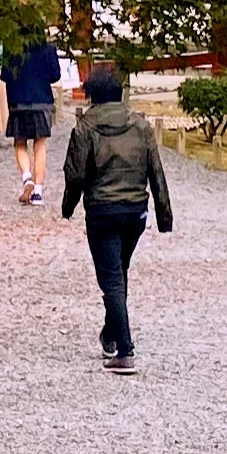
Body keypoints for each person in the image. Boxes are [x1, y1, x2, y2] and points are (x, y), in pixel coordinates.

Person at [57, 61, 173, 373]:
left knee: (111, 279)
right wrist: (164, 215)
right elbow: (156, 171)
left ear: (90, 93)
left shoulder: (85, 129)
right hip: (135, 210)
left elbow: (75, 175)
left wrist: (68, 207)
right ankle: (111, 333)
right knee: (119, 272)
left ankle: (125, 350)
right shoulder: (140, 125)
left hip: (102, 212)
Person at [1, 32, 66, 203]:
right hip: (42, 100)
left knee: (20, 142)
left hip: (17, 101)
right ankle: (38, 191)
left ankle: (26, 177)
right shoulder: (48, 48)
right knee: (40, 144)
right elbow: (55, 75)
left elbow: (5, 76)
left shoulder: (11, 47)